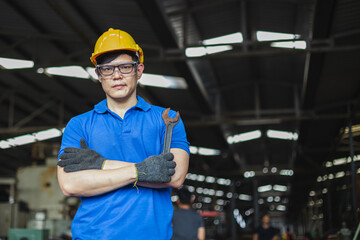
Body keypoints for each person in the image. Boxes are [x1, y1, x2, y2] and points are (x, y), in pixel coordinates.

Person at [57, 28, 190, 240]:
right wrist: (142, 170)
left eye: (125, 67)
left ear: (139, 70)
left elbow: (175, 177)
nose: (117, 75)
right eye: (107, 69)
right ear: (98, 75)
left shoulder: (167, 119)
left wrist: (100, 165)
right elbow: (70, 184)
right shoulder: (79, 125)